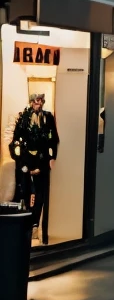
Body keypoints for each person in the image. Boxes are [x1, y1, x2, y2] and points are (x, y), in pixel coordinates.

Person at [9, 93, 59, 245]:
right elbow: (16, 140)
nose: (40, 103)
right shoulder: (24, 117)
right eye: (37, 101)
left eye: (42, 101)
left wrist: (51, 157)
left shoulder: (47, 117)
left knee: (40, 194)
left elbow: (53, 139)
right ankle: (23, 225)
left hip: (42, 161)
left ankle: (35, 225)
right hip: (25, 160)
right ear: (31, 102)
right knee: (23, 192)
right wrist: (21, 160)